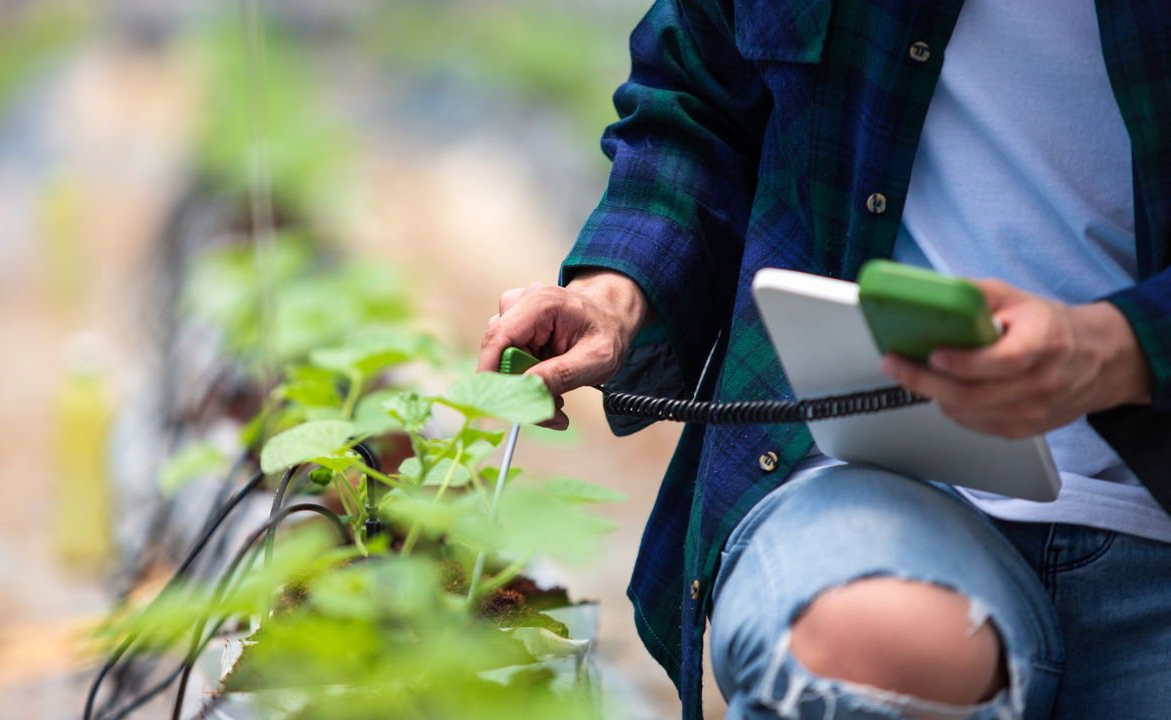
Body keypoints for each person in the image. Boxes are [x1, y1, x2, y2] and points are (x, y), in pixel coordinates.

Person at [477, 1, 1171, 718]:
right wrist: (613, 297)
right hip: (876, 471)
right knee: (870, 653)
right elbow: (701, 99)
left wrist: (1122, 346)